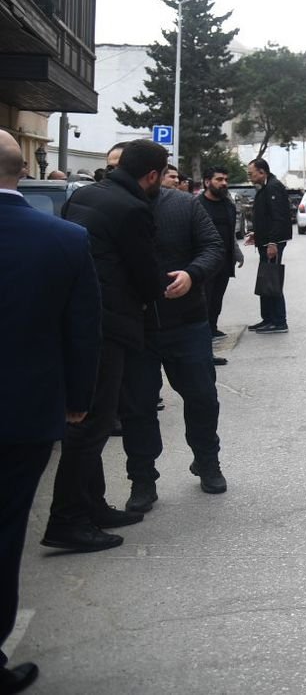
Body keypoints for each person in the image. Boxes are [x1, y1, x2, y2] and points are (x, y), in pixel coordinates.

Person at [0, 131, 100, 695]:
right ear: (22, 170)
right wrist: (79, 400)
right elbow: (83, 329)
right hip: (23, 413)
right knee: (5, 529)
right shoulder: (63, 238)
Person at [43, 139, 169, 553]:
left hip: (77, 321)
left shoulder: (84, 195)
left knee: (88, 421)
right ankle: (67, 519)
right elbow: (146, 275)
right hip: (109, 326)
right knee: (91, 426)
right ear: (152, 175)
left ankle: (91, 505)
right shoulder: (133, 208)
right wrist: (162, 287)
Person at [123, 171, 228, 510]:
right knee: (138, 406)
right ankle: (142, 479)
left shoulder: (184, 205)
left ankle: (207, 461)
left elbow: (214, 247)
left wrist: (192, 273)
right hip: (135, 325)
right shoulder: (111, 204)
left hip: (186, 322)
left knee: (202, 397)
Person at [244, 158, 292, 334]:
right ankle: (268, 318)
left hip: (273, 243)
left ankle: (279, 321)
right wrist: (258, 234)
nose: (249, 177)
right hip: (265, 241)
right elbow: (265, 217)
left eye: (251, 173)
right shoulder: (265, 187)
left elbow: (279, 218)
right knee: (265, 279)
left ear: (262, 172)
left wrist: (272, 242)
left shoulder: (273, 187)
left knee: (272, 280)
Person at [197, 167, 244, 338]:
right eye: (219, 179)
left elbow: (231, 233)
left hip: (224, 260)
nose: (224, 183)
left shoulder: (228, 205)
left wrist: (237, 253)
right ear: (207, 182)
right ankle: (203, 330)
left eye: (225, 180)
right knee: (205, 298)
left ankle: (213, 326)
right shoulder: (197, 205)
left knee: (217, 297)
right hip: (204, 260)